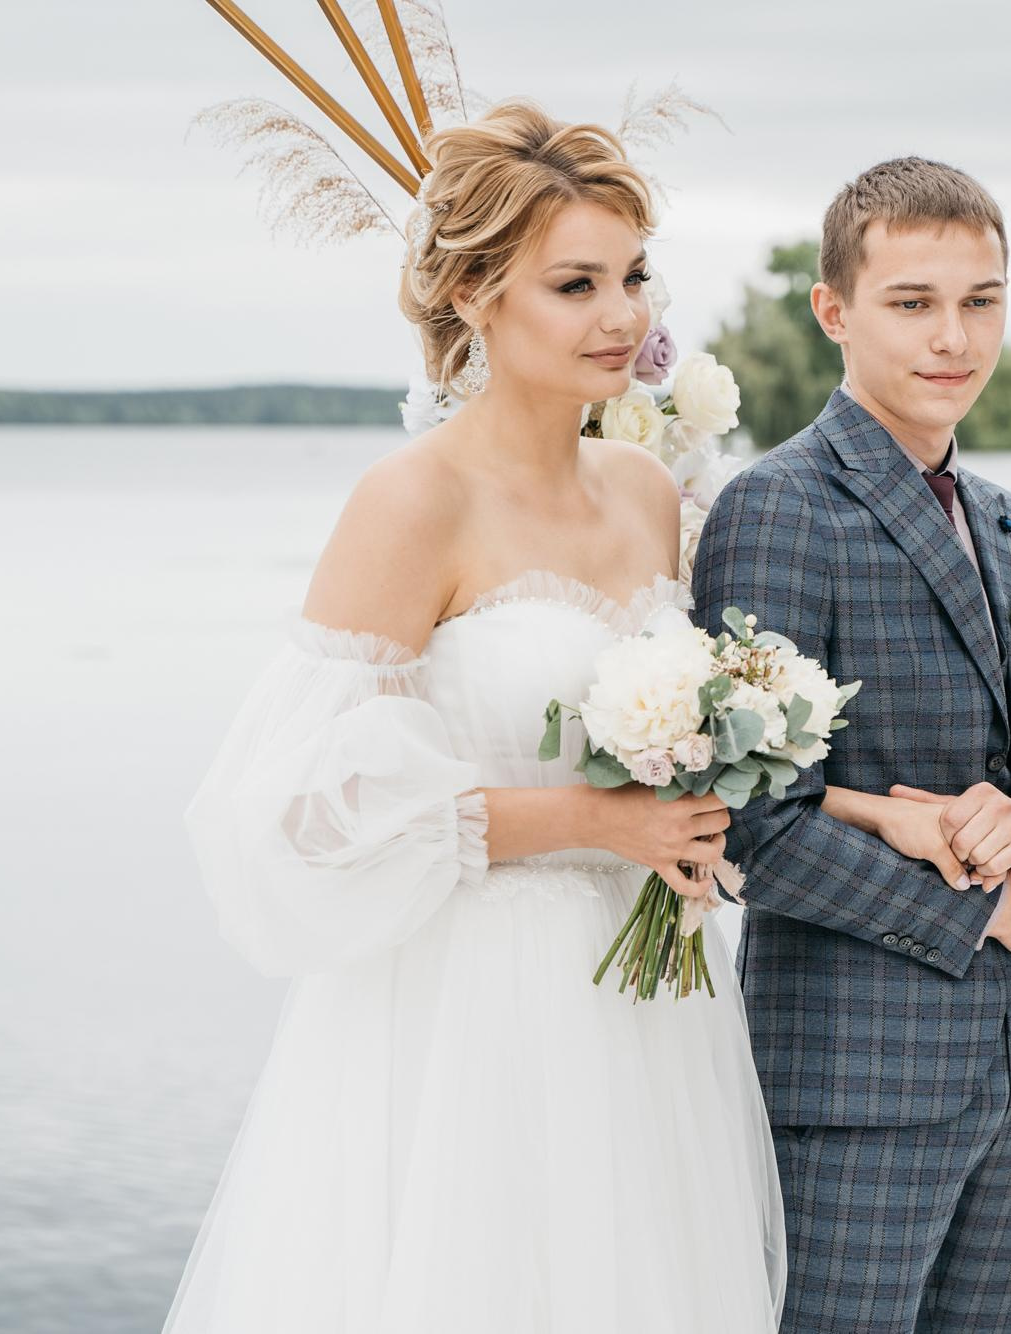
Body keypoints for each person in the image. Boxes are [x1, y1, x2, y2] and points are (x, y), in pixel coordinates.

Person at [164, 101, 785, 1334]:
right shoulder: (412, 501)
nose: (622, 316)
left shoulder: (645, 490)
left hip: (650, 1009)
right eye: (575, 284)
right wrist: (595, 820)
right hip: (473, 1012)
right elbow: (309, 807)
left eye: (633, 277)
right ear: (472, 294)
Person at [692, 156, 1011, 1333]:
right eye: (912, 302)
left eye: (979, 300)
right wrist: (993, 910)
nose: (953, 336)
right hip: (851, 1094)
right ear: (832, 310)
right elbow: (749, 827)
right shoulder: (779, 508)